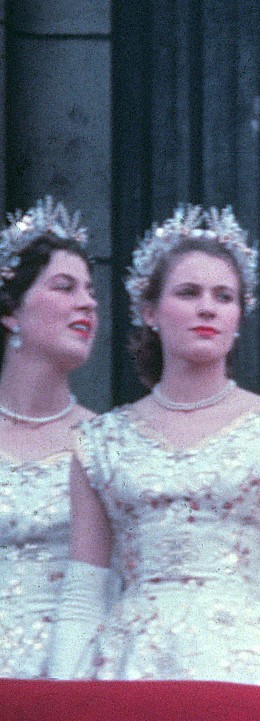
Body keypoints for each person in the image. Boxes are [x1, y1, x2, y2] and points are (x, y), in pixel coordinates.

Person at [48, 205, 260, 683]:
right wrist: (60, 706)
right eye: (188, 293)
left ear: (239, 315)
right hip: (127, 667)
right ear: (150, 311)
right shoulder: (99, 442)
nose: (207, 308)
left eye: (224, 296)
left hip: (245, 667)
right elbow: (83, 596)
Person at [0, 199, 98, 678]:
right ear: (11, 313)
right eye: (65, 287)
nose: (87, 302)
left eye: (90, 290)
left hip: (68, 680)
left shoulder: (106, 442)